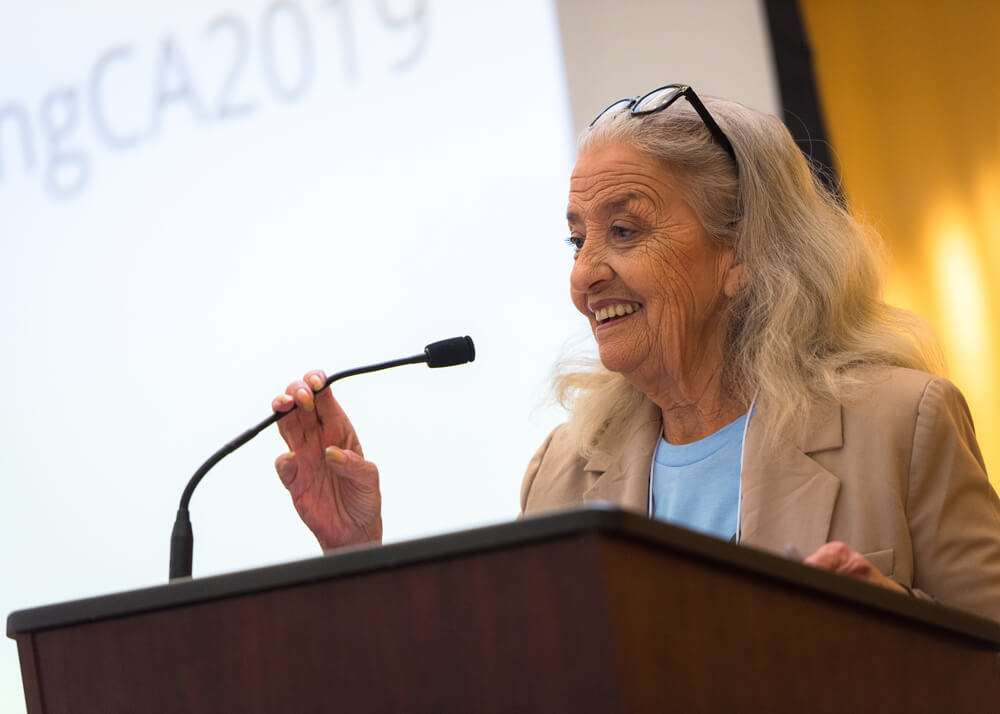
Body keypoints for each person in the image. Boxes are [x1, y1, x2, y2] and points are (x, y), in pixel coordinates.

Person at [271, 84, 1000, 622]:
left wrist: (901, 632)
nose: (585, 274)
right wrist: (358, 552)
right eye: (577, 237)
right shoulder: (561, 470)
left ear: (740, 253)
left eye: (624, 231)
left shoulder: (901, 425)